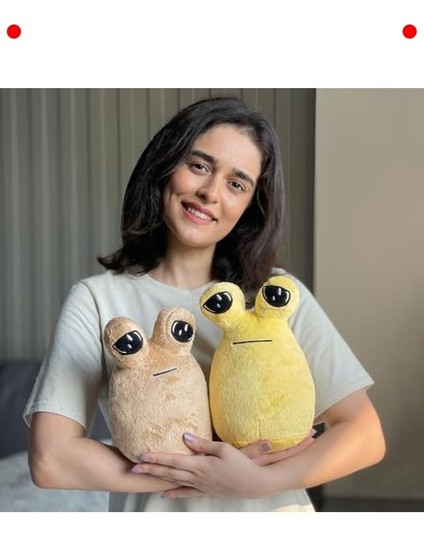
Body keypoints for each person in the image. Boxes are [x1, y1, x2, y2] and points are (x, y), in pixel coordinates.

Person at [24, 96, 385, 512]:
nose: (210, 193)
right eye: (199, 166)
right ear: (165, 166)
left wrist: (257, 481)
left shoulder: (276, 297)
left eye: (237, 184)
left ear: (251, 205)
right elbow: (52, 459)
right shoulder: (97, 299)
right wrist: (204, 475)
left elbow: (364, 433)